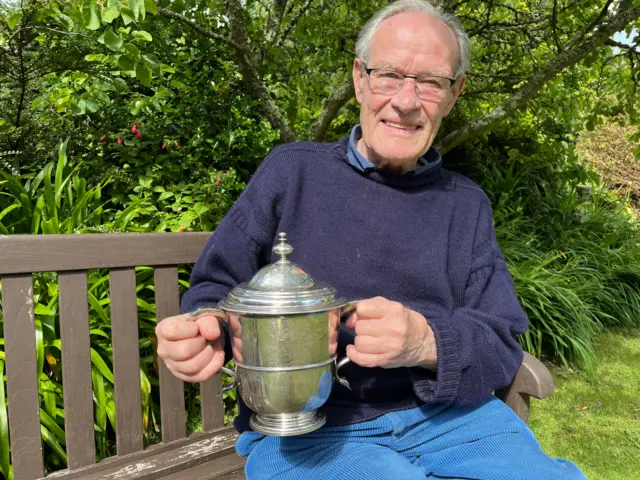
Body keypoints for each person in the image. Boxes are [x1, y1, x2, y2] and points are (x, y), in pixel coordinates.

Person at [156, 1, 587, 478]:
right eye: (389, 75)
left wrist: (426, 343)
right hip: (310, 429)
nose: (406, 100)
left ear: (454, 93)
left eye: (430, 81)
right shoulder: (291, 172)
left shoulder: (466, 205)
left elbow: (500, 343)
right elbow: (215, 288)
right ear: (360, 78)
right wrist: (204, 327)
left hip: (454, 421)